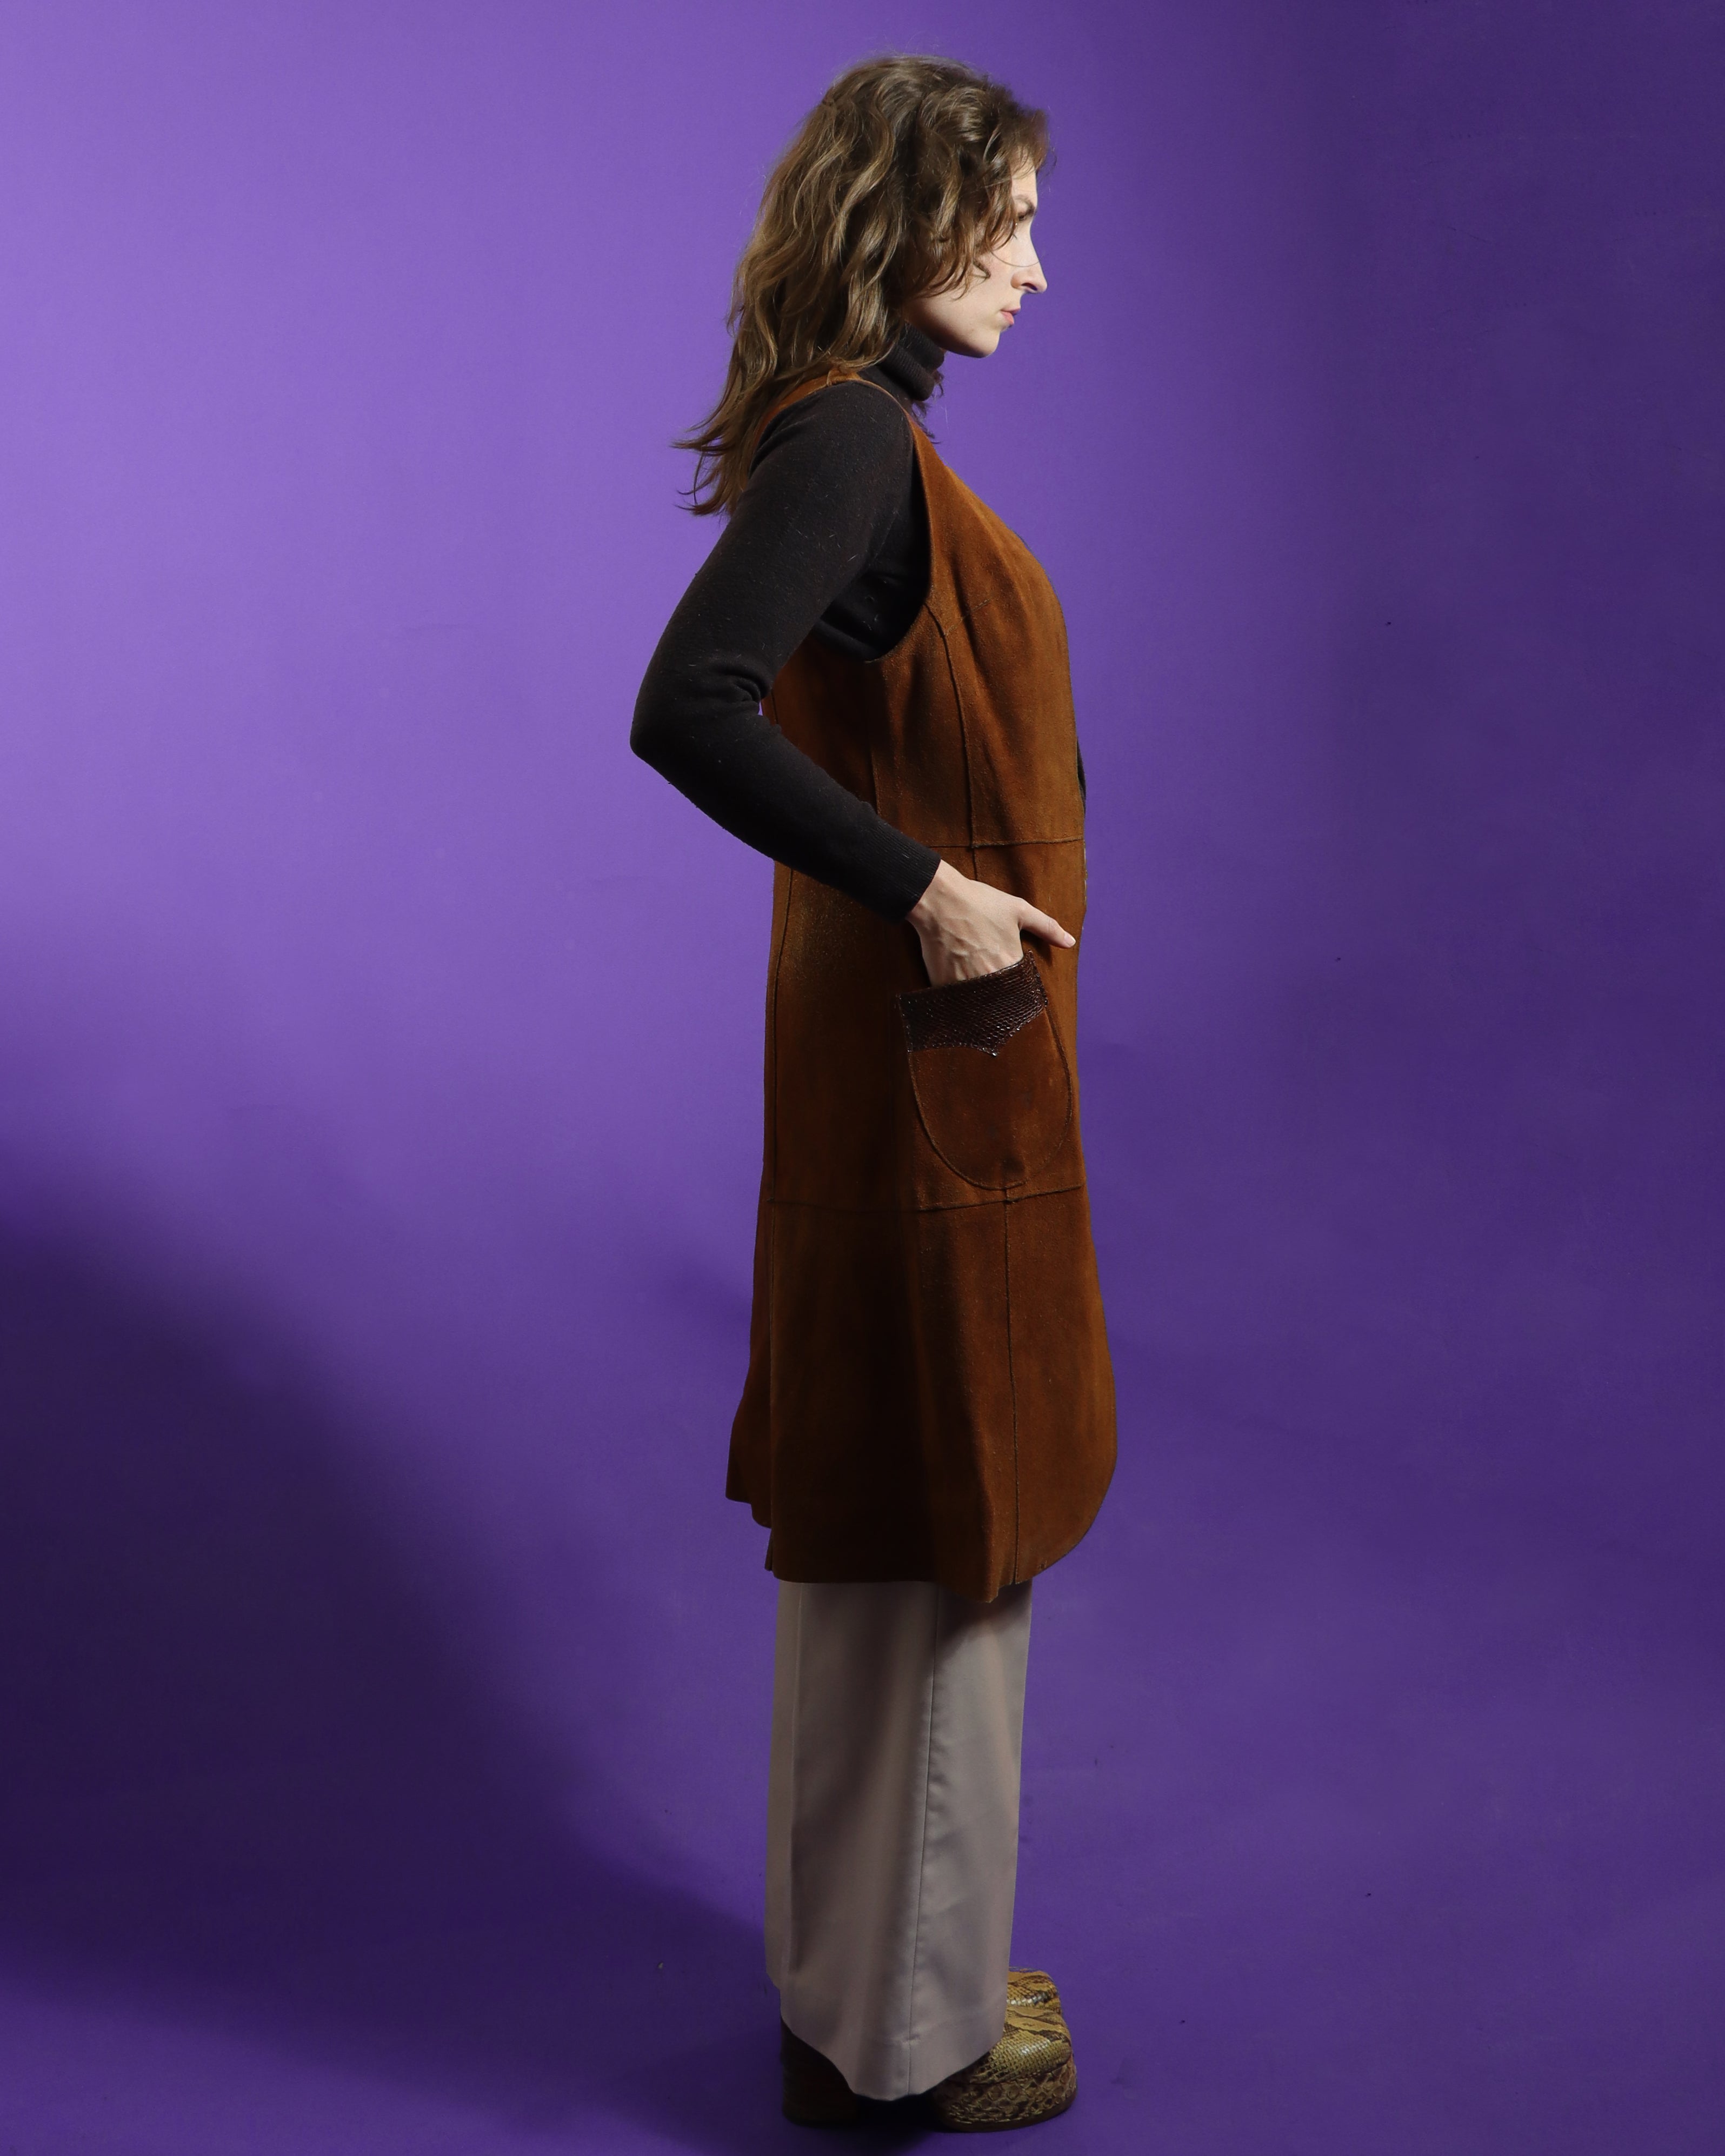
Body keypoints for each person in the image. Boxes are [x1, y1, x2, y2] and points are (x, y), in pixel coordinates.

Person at [631, 54, 1115, 2132]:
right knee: (944, 1525)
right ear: (907, 219)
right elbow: (690, 709)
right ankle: (908, 2047)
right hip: (932, 1092)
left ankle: (861, 1983)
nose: (1036, 266)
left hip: (905, 1084)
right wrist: (930, 890)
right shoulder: (852, 441)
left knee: (893, 1528)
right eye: (1007, 222)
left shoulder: (853, 432)